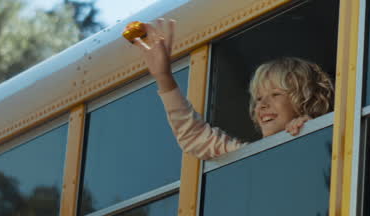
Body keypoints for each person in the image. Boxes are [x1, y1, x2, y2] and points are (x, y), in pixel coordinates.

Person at [132, 18, 334, 160]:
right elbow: (194, 136)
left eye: (275, 94)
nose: (262, 105)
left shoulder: (321, 138)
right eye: (258, 98)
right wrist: (164, 77)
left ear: (307, 101)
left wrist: (314, 131)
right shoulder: (247, 154)